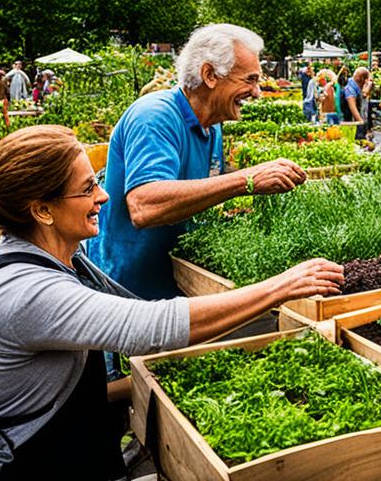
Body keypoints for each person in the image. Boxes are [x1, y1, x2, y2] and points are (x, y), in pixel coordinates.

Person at [0, 125, 343, 480]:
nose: (102, 196)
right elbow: (152, 327)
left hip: (65, 449)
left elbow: (72, 373)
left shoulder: (61, 260)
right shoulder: (23, 291)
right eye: (86, 188)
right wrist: (283, 286)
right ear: (42, 210)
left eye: (96, 180)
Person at [90, 24, 308, 300]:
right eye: (249, 80)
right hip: (131, 294)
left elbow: (192, 195)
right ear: (210, 75)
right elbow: (144, 205)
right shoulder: (155, 116)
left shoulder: (212, 125)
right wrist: (247, 179)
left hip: (177, 285)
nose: (257, 93)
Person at [342, 66, 370, 139]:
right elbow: (352, 107)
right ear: (363, 79)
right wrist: (361, 122)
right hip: (348, 122)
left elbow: (363, 96)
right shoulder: (350, 89)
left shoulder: (353, 85)